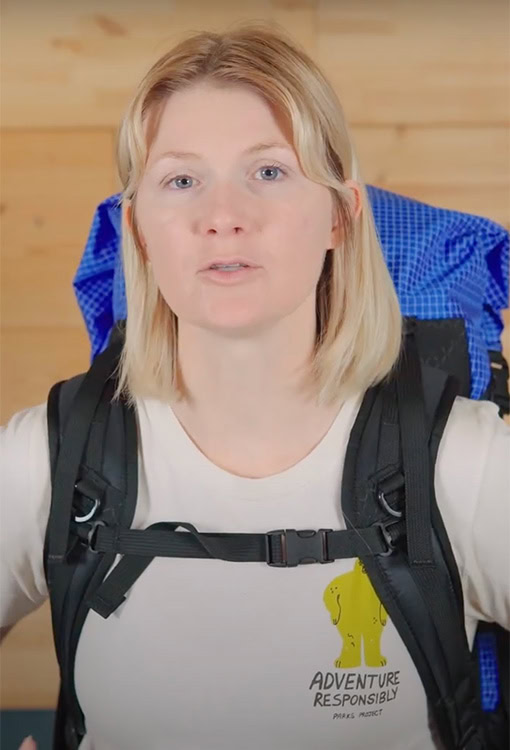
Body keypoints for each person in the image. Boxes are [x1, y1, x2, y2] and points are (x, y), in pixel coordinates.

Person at [1, 21, 509, 750]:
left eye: (268, 171)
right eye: (182, 180)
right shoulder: (53, 458)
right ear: (138, 228)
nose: (223, 218)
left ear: (340, 214)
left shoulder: (462, 463)